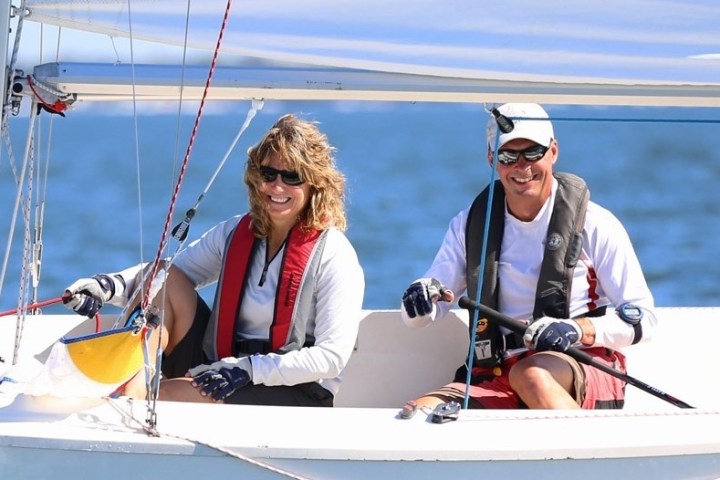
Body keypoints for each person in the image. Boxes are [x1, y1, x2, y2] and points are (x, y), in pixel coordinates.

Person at [62, 113, 365, 407]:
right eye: (268, 174)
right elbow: (164, 277)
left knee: (165, 398)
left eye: (292, 177)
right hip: (223, 370)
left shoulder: (334, 254)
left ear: (315, 184)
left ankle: (135, 403)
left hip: (294, 390)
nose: (277, 186)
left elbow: (332, 357)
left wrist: (247, 369)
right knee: (164, 278)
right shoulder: (234, 233)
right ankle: (132, 390)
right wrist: (104, 287)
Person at [400, 103, 657, 410]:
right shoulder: (469, 225)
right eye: (509, 156)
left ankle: (593, 453)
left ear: (553, 152)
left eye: (533, 153)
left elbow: (645, 320)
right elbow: (426, 312)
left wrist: (578, 329)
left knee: (532, 376)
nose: (522, 167)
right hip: (496, 372)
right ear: (492, 159)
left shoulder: (596, 224)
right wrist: (419, 300)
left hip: (582, 364)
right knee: (418, 414)